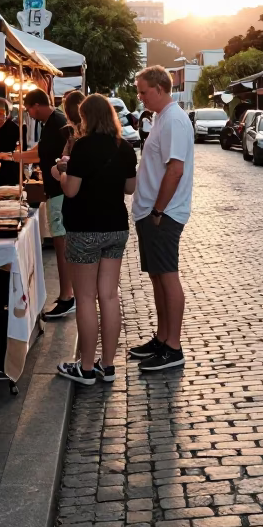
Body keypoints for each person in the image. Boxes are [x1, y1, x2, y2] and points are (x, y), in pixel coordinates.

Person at [54, 95, 138, 385]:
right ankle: (109, 365)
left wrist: (60, 174)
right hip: (116, 227)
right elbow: (130, 188)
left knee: (87, 297)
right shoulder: (125, 147)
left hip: (85, 228)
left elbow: (72, 191)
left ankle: (87, 367)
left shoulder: (83, 147)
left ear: (87, 117)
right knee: (110, 295)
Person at [127, 66, 194, 372]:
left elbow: (175, 170)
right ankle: (163, 337)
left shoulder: (175, 121)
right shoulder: (160, 118)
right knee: (157, 276)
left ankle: (173, 347)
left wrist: (157, 210)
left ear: (160, 88)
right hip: (151, 212)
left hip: (162, 214)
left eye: (143, 91)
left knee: (167, 276)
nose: (140, 97)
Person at [11, 89, 75, 319]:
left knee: (61, 243)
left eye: (28, 108)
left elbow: (43, 155)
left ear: (36, 105)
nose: (28, 113)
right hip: (56, 191)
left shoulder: (56, 122)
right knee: (60, 242)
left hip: (59, 191)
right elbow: (40, 153)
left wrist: (13, 157)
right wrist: (12, 156)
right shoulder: (53, 122)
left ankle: (67, 296)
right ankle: (67, 294)